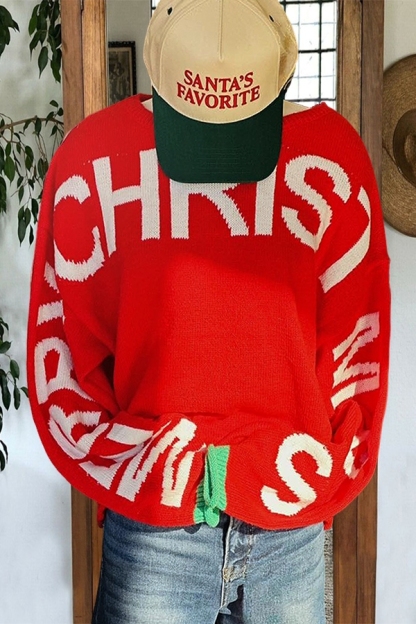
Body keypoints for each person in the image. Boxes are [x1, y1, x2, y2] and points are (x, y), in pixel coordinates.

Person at [27, 0, 390, 622]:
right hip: (155, 528)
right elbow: (62, 341)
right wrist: (137, 466)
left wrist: (313, 473)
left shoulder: (333, 159)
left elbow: (358, 342)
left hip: (288, 526)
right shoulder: (91, 160)